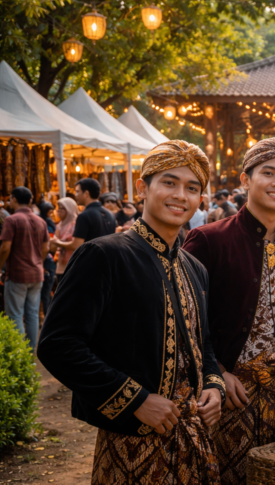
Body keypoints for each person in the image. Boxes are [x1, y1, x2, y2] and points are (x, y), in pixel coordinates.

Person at [38, 141, 225, 483]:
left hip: (192, 438)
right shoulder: (104, 255)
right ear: (143, 188)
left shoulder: (195, 268)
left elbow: (204, 343)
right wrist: (135, 400)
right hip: (129, 442)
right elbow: (58, 345)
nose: (180, 195)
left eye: (192, 187)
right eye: (169, 182)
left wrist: (213, 385)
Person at [183, 138, 275, 484]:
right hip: (230, 399)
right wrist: (215, 372)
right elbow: (184, 321)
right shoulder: (207, 240)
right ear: (246, 180)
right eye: (268, 173)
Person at [0, 187, 49, 349]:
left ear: (13, 199)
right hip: (36, 274)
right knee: (32, 314)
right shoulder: (40, 220)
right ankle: (30, 351)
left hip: (17, 274)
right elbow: (45, 248)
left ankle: (19, 353)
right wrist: (38, 263)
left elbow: (5, 247)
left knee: (15, 314)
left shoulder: (11, 220)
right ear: (30, 200)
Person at [54, 178, 116, 253]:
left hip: (91, 261)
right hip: (108, 260)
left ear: (86, 193)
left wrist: (58, 242)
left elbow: (76, 245)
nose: (76, 195)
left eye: (77, 192)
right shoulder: (110, 214)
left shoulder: (84, 216)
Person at [50, 197, 78, 283]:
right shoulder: (60, 225)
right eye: (57, 208)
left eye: (62, 208)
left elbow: (76, 245)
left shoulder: (76, 224)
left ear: (69, 209)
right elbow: (53, 248)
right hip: (60, 267)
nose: (58, 211)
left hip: (73, 267)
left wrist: (58, 242)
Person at [38, 201, 57, 316]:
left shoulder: (40, 221)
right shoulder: (46, 222)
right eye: (50, 211)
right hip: (46, 260)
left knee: (44, 294)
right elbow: (47, 245)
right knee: (45, 293)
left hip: (44, 260)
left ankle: (46, 316)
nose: (53, 213)